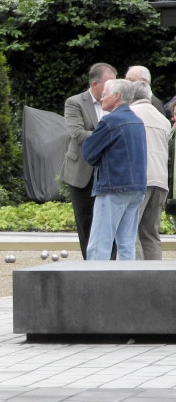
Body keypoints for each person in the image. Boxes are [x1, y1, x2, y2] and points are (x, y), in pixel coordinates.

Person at [82, 79, 147, 260]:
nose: (101, 98)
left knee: (99, 245)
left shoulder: (110, 121)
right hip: (137, 188)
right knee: (127, 245)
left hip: (113, 186)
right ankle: (129, 285)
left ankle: (96, 286)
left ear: (116, 96)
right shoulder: (137, 121)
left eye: (104, 95)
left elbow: (88, 152)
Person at [62, 63, 117, 260]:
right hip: (81, 172)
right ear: (95, 84)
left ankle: (110, 265)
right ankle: (89, 268)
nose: (114, 87)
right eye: (110, 83)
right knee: (86, 222)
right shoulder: (75, 102)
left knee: (110, 223)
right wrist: (110, 136)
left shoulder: (116, 103)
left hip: (109, 172)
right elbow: (77, 134)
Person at [129, 81, 171, 260]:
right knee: (151, 234)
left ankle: (136, 278)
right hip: (160, 180)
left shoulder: (130, 114)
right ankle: (156, 278)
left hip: (139, 179)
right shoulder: (163, 119)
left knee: (131, 233)